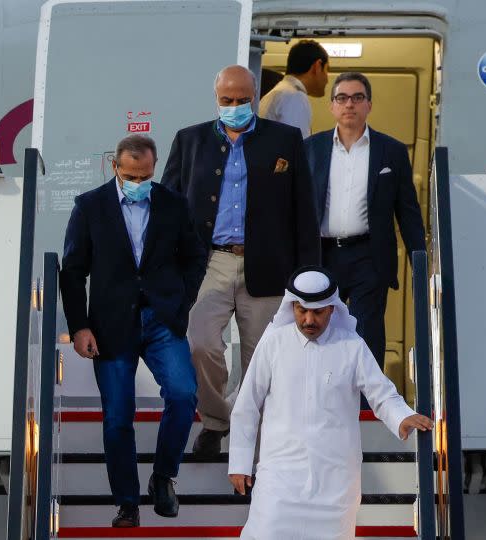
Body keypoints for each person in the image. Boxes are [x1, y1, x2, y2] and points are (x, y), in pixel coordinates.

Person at [161, 65, 320, 460]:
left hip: (267, 264)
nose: (233, 107)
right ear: (216, 99)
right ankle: (216, 421)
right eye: (225, 101)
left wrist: (309, 277)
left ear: (254, 97)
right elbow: (168, 207)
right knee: (199, 344)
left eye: (241, 100)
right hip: (209, 263)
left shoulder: (285, 139)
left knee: (261, 358)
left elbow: (304, 210)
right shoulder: (190, 140)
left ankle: (252, 445)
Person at [60, 134, 207, 528]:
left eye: (144, 175)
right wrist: (79, 327)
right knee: (117, 417)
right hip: (110, 325)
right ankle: (127, 502)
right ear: (115, 167)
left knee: (182, 393)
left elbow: (194, 257)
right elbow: (72, 271)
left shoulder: (174, 204)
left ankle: (163, 477)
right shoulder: (90, 206)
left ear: (154, 168)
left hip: (162, 319)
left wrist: (181, 301)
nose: (138, 182)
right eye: (130, 175)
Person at [228, 267, 433, 540]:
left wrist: (402, 416)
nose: (309, 319)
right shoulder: (274, 342)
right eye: (302, 310)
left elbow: (382, 394)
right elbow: (247, 404)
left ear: (332, 310)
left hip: (335, 483)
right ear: (292, 306)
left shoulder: (351, 345)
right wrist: (240, 463)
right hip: (280, 476)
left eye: (318, 312)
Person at [303, 72, 426, 371]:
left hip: (369, 256)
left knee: (366, 333)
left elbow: (407, 211)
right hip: (322, 255)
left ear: (369, 105)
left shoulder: (391, 151)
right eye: (342, 98)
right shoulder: (311, 149)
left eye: (357, 98)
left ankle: (366, 407)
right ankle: (322, 399)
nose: (349, 105)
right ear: (332, 106)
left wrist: (420, 262)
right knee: (317, 329)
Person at [258, 39, 330, 137]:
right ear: (317, 66)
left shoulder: (278, 93)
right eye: (326, 70)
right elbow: (297, 147)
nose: (327, 79)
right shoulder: (294, 97)